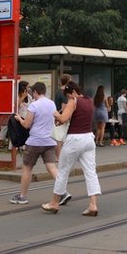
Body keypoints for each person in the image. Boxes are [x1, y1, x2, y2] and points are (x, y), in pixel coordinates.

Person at [41, 82, 100, 216]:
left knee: (63, 171)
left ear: (72, 92)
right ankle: (93, 204)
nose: (68, 98)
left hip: (75, 139)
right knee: (91, 172)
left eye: (68, 95)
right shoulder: (89, 101)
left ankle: (54, 203)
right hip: (89, 138)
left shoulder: (74, 101)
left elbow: (63, 118)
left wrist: (56, 114)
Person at [10, 82, 59, 204]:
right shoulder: (52, 104)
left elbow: (26, 124)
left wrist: (18, 119)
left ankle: (22, 196)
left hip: (35, 141)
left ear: (35, 92)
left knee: (27, 168)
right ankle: (62, 192)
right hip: (49, 141)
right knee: (52, 167)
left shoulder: (34, 106)